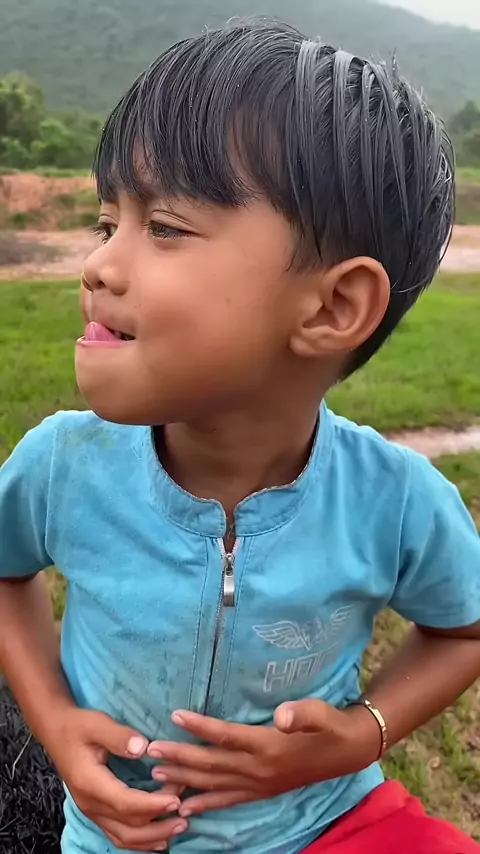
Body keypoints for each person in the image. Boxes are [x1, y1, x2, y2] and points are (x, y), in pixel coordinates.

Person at [0, 17, 479, 854]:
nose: (98, 265)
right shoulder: (63, 466)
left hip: (327, 821)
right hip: (122, 840)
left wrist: (360, 735)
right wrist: (57, 726)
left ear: (333, 307)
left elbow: (464, 629)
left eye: (164, 227)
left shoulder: (396, 502)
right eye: (107, 223)